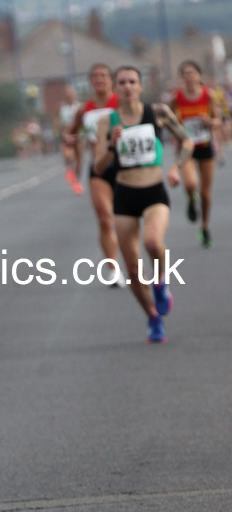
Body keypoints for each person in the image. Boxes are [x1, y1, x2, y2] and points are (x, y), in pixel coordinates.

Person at [94, 66, 194, 343]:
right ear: (116, 88)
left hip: (154, 192)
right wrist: (112, 147)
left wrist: (175, 167)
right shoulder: (108, 122)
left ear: (140, 86)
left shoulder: (158, 112)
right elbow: (99, 167)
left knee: (152, 242)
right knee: (134, 270)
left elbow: (186, 140)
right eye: (122, 82)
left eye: (132, 82)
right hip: (125, 195)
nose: (127, 86)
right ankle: (152, 316)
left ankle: (160, 281)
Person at [67, 64, 125, 285]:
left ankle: (132, 258)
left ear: (111, 80)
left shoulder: (120, 104)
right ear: (90, 81)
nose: (99, 79)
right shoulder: (85, 109)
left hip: (123, 165)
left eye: (104, 76)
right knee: (104, 219)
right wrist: (69, 140)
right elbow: (71, 133)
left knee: (125, 219)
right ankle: (113, 269)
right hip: (98, 167)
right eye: (95, 76)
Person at [171, 61, 221, 246]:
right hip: (187, 147)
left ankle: (205, 226)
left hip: (206, 146)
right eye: (185, 74)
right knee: (191, 184)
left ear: (199, 76)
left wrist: (209, 121)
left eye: (192, 73)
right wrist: (177, 130)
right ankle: (191, 200)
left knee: (206, 193)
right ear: (181, 77)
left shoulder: (208, 95)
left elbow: (218, 120)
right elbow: (168, 119)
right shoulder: (176, 98)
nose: (189, 77)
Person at [57, 84, 81, 190]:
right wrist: (63, 133)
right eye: (67, 94)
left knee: (79, 160)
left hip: (78, 135)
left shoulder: (80, 106)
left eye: (71, 94)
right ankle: (69, 170)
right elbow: (58, 122)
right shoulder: (61, 107)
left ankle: (76, 181)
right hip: (66, 135)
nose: (69, 96)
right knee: (68, 156)